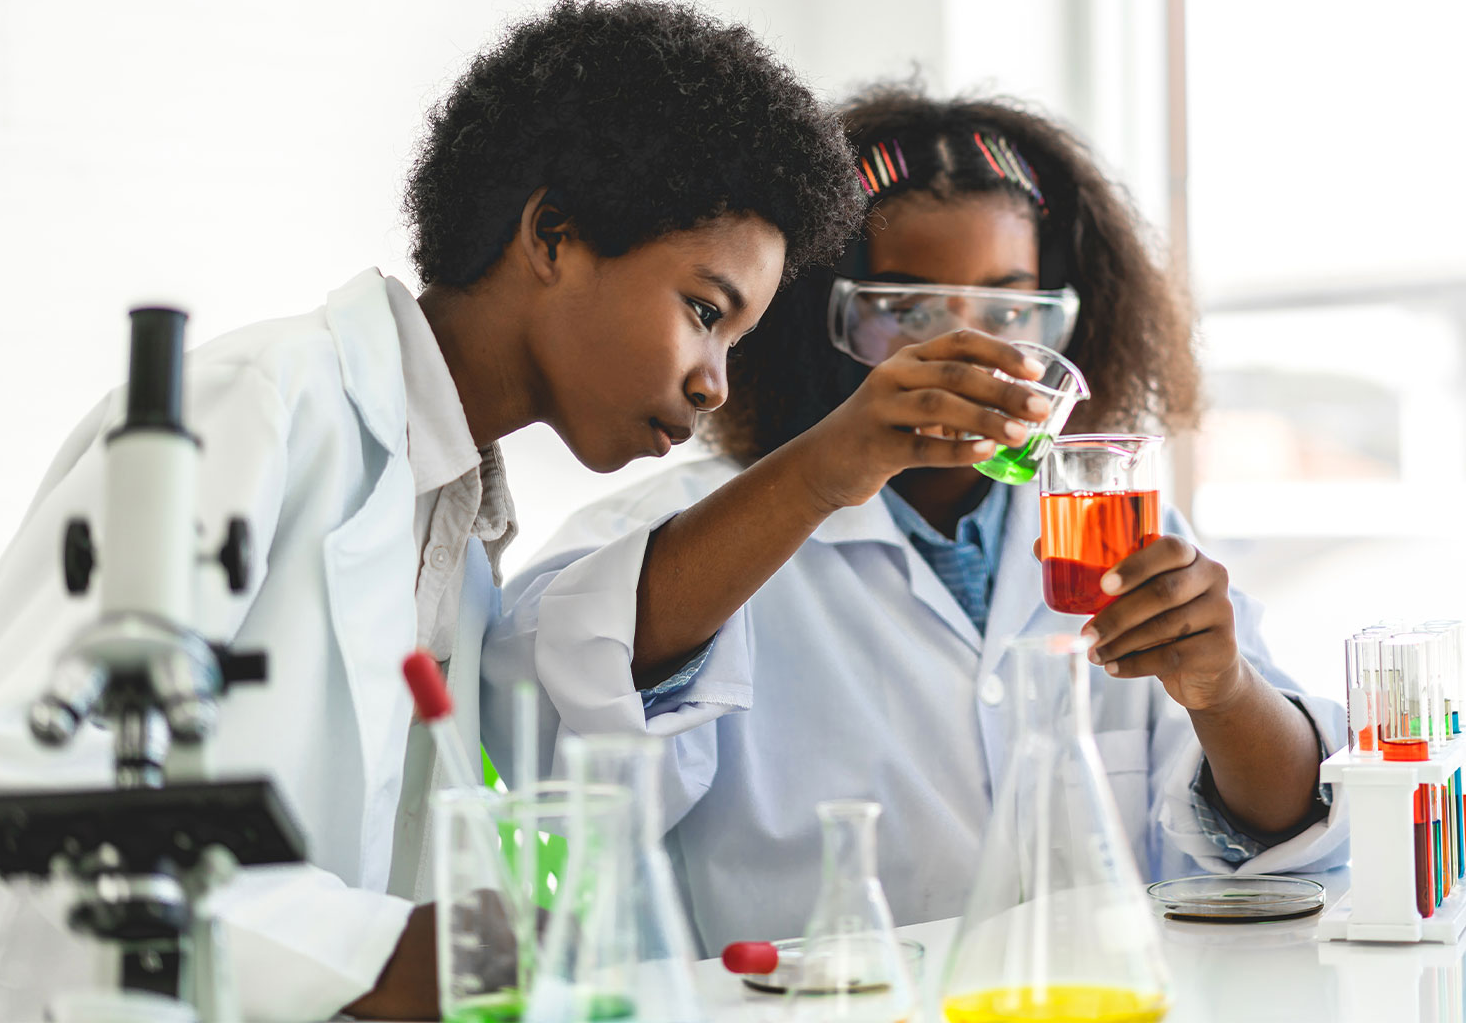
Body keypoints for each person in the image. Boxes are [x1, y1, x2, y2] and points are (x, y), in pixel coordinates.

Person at [0, 0, 860, 1021]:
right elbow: (22, 780)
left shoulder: (453, 519)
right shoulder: (260, 405)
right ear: (552, 236)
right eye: (705, 313)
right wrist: (377, 955)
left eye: (734, 344)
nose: (715, 385)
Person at [485, 87, 1348, 953]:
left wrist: (1224, 692)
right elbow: (538, 694)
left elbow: (1286, 828)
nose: (973, 353)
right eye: (908, 311)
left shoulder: (1113, 520)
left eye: (1012, 312)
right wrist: (824, 471)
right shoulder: (692, 526)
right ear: (819, 318)